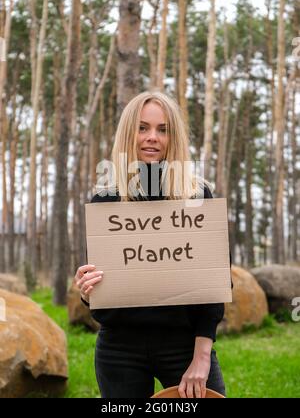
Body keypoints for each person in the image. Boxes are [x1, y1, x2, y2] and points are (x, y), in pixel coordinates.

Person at [75, 91, 230, 399]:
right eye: (143, 127)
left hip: (184, 345)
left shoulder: (197, 197)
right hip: (119, 348)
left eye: (163, 129)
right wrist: (87, 291)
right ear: (128, 133)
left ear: (174, 137)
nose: (152, 138)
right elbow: (103, 296)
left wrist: (201, 356)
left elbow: (215, 284)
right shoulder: (106, 201)